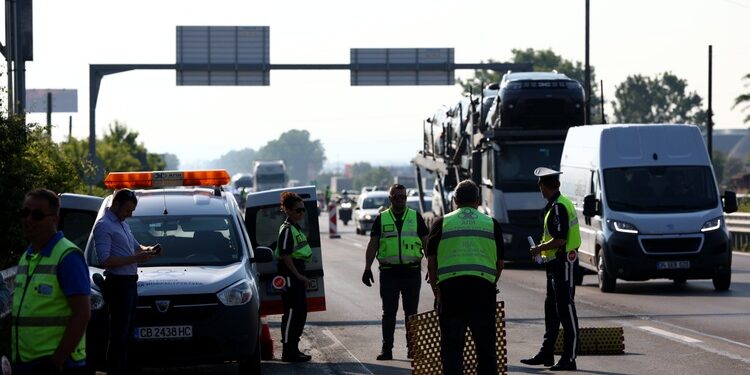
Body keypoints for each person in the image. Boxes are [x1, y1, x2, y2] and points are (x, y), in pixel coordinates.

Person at [426, 180, 504, 375]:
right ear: (477, 201)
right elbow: (500, 264)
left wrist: (437, 291)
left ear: (455, 200)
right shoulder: (491, 224)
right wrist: (489, 282)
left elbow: (431, 262)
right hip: (483, 290)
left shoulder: (441, 223)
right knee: (486, 349)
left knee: (452, 348)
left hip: (450, 292)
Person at [11, 188, 91, 374]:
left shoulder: (68, 257)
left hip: (57, 365)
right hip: (26, 362)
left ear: (54, 219)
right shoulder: (27, 256)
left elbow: (82, 314)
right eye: (25, 213)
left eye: (37, 215)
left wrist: (57, 360)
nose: (28, 219)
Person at [93, 188, 161, 375]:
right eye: (127, 210)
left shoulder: (122, 223)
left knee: (128, 334)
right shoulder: (104, 225)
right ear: (115, 205)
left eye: (132, 211)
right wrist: (136, 258)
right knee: (119, 335)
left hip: (130, 283)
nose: (129, 215)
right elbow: (105, 260)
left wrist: (149, 250)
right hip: (118, 284)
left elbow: (136, 247)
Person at [520, 167, 581, 371]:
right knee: (552, 311)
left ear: (544, 186)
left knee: (565, 309)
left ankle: (569, 358)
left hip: (563, 262)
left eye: (540, 185)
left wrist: (539, 248)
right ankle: (546, 353)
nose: (539, 188)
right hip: (554, 264)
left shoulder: (558, 207)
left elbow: (561, 239)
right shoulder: (554, 205)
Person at [362, 184, 429, 360]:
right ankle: (387, 349)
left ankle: (413, 348)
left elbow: (426, 243)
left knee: (411, 313)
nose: (400, 200)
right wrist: (367, 267)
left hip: (411, 272)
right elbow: (373, 244)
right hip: (389, 273)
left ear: (406, 198)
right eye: (396, 197)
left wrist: (431, 266)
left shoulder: (415, 217)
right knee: (389, 312)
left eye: (403, 197)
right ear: (390, 199)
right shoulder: (382, 218)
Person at [276, 191, 313, 363]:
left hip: (296, 273)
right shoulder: (287, 230)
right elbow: (285, 255)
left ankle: (294, 348)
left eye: (303, 210)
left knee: (300, 313)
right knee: (291, 313)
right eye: (298, 210)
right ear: (288, 210)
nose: (301, 213)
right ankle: (288, 351)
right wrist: (298, 276)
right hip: (290, 275)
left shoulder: (296, 228)